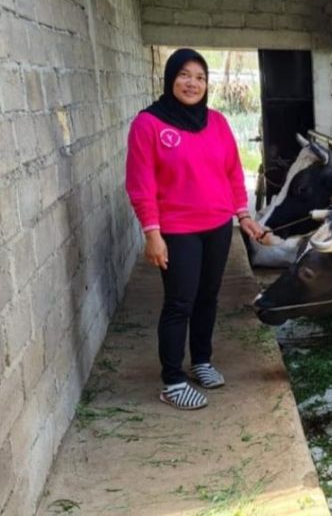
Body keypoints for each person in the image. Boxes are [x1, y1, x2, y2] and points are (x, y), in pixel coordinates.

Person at [125, 48, 265, 410]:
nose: (193, 83)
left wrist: (243, 216)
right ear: (171, 78)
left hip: (218, 227)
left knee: (208, 297)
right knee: (179, 302)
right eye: (185, 75)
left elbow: (233, 172)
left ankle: (201, 360)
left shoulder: (216, 122)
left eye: (200, 77)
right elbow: (140, 184)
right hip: (177, 230)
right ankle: (172, 381)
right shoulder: (149, 124)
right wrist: (152, 234)